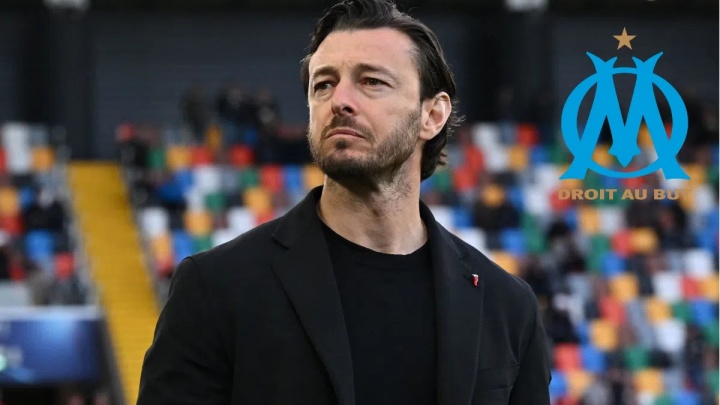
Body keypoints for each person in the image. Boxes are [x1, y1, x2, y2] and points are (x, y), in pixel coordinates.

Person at [137, 0, 551, 404]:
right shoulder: (216, 288)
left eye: (372, 81)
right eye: (324, 84)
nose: (339, 100)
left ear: (432, 115)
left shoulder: (507, 306)